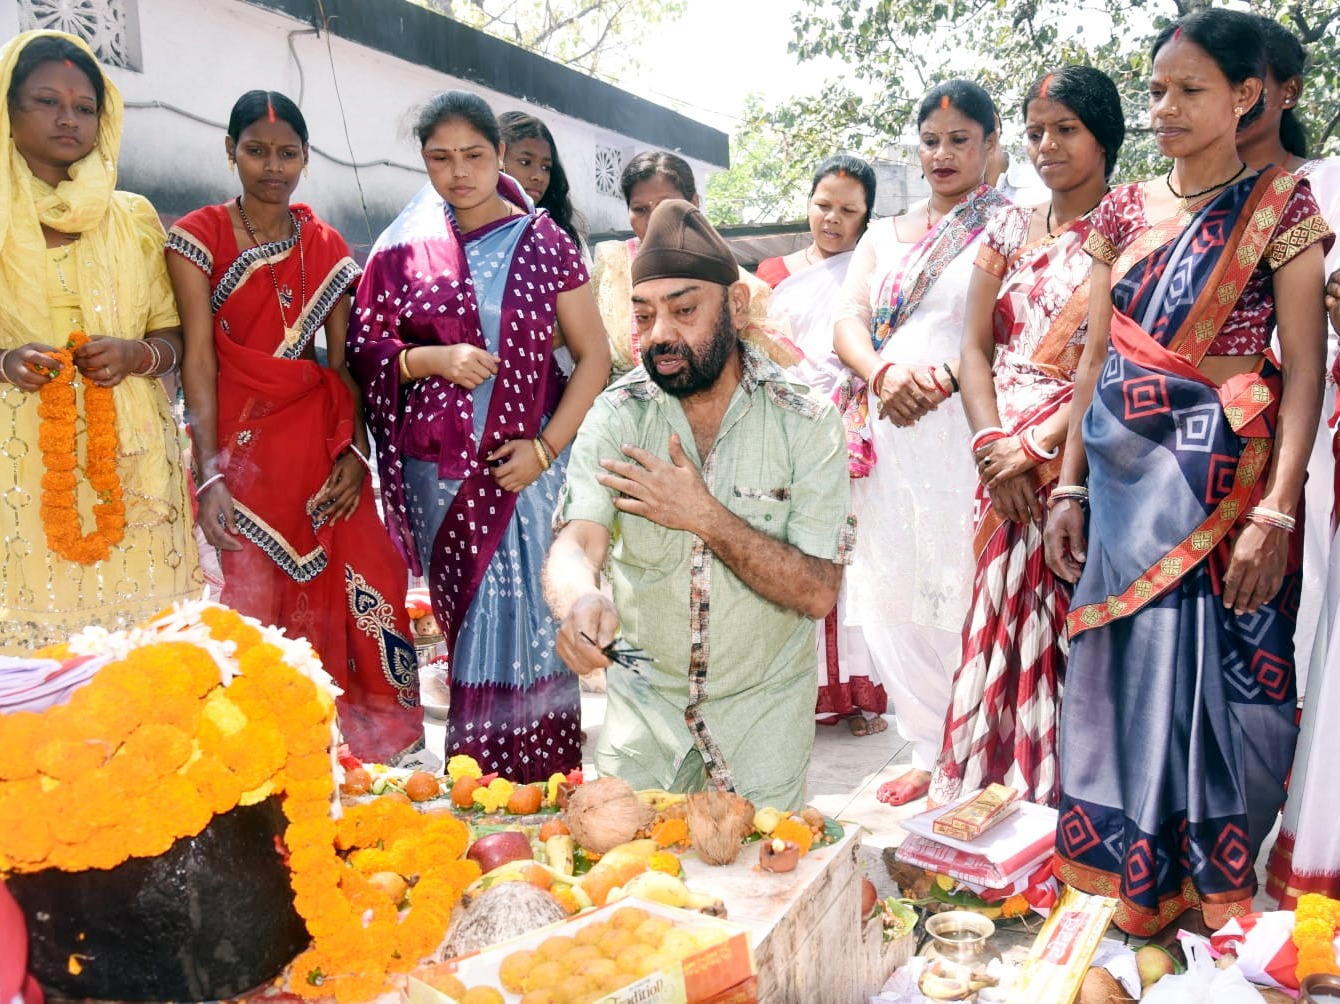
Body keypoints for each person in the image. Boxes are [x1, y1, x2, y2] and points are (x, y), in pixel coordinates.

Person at [1044, 8, 1331, 935]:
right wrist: (1070, 485)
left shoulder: (1284, 208)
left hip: (1222, 488)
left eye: (1189, 90)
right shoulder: (1123, 210)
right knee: (1121, 675)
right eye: (1158, 89)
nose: (1163, 107)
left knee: (1228, 686)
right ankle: (1130, 889)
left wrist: (1278, 511)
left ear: (1247, 95)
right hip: (1123, 489)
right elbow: (1092, 360)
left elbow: (1303, 375)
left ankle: (1216, 899)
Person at [544, 199, 853, 810]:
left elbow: (818, 591)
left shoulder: (807, 421)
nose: (661, 335)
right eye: (644, 315)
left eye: (684, 311)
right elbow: (578, 541)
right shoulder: (617, 413)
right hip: (643, 711)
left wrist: (703, 514)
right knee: (630, 883)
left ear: (735, 307)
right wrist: (578, 597)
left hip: (760, 711)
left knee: (765, 885)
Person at [348, 91, 609, 782]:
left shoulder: (543, 241)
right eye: (440, 157)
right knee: (468, 632)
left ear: (500, 156)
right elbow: (367, 349)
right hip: (439, 475)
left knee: (534, 629)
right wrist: (432, 359)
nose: (458, 172)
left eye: (474, 156)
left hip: (526, 469)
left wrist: (546, 450)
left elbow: (595, 358)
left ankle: (548, 786)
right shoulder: (402, 250)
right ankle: (479, 787)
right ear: (422, 160)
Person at [166, 91, 425, 765]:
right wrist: (210, 472)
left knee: (373, 577)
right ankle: (269, 761)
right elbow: (196, 358)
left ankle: (375, 749)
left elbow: (342, 369)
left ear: (306, 158)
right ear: (231, 151)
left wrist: (355, 457)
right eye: (256, 150)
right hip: (242, 455)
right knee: (254, 605)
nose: (272, 166)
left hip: (318, 445)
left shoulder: (326, 245)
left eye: (286, 153)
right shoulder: (199, 236)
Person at [928, 68, 1125, 809]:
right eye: (1037, 131)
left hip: (1078, 455)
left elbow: (1111, 358)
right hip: (997, 455)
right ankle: (987, 798)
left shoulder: (1132, 224)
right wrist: (992, 447)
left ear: (1104, 134)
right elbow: (973, 347)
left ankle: (1065, 808)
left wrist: (1036, 449)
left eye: (1065, 129)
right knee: (997, 627)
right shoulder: (1007, 226)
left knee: (1068, 637)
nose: (1047, 146)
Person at [833, 80, 1009, 805]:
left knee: (961, 589)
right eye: (931, 141)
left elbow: (1026, 321)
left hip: (964, 423)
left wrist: (939, 374)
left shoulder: (1012, 224)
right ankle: (925, 743)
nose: (943, 154)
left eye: (960, 139)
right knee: (892, 591)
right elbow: (849, 321)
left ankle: (977, 747)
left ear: (992, 144)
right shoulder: (882, 234)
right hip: (889, 427)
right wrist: (883, 372)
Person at [0, 31, 200, 653]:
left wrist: (139, 355)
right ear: (9, 110)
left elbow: (171, 334)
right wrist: (4, 360)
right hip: (17, 457)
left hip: (131, 449)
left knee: (142, 653)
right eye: (46, 101)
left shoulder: (134, 215)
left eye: (85, 107)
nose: (69, 118)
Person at [1241, 16, 1340, 907]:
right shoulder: (1175, 197)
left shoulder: (1324, 186)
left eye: (1248, 82)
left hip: (1308, 437)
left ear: (1287, 92)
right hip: (1216, 451)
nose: (1233, 101)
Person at [758, 155, 887, 736]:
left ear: (865, 219)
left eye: (848, 211)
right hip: (783, 433)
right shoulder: (772, 273)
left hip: (849, 435)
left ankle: (859, 696)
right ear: (807, 203)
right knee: (793, 556)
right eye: (823, 205)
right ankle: (798, 694)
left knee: (851, 561)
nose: (832, 219)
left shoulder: (874, 272)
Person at [590, 150, 783, 379]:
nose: (654, 219)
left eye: (665, 206)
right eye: (640, 209)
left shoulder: (740, 286)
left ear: (694, 203)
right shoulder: (611, 265)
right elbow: (589, 355)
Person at [498, 110, 585, 249]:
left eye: (546, 167)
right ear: (498, 159)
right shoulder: (465, 227)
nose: (539, 177)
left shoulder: (562, 240)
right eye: (525, 162)